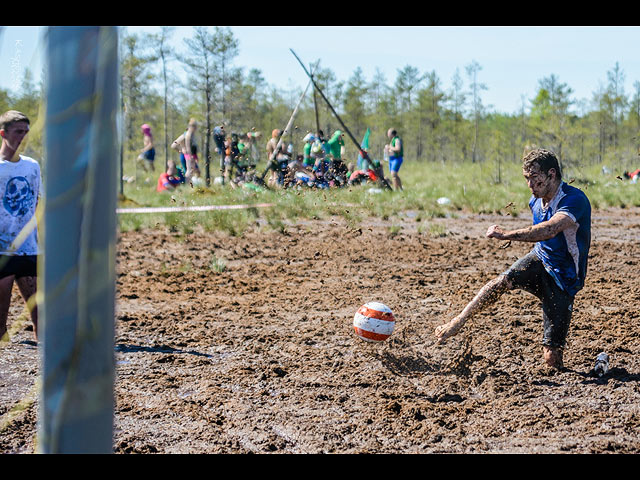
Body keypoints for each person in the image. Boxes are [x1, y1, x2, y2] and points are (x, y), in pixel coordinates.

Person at [434, 148, 591, 370]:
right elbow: (543, 238)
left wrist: (507, 235)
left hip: (564, 279)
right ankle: (457, 323)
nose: (529, 185)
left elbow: (550, 230)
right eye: (526, 178)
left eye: (534, 178)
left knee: (551, 360)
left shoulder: (574, 199)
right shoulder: (535, 201)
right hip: (540, 259)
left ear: (551, 174)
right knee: (501, 282)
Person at [0, 111, 40, 344]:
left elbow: (36, 201)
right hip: (2, 249)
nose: (23, 136)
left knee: (39, 310)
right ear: (4, 134)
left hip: (28, 246)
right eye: (18, 131)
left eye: (26, 131)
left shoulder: (32, 166)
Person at [170, 118, 200, 184]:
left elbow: (174, 145)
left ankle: (192, 184)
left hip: (188, 154)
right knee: (189, 170)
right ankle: (187, 185)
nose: (195, 128)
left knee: (195, 171)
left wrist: (182, 149)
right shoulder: (188, 134)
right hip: (188, 155)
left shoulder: (189, 134)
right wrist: (182, 150)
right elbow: (186, 146)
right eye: (193, 126)